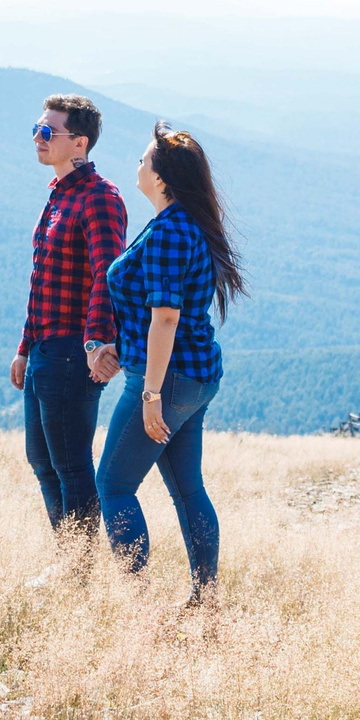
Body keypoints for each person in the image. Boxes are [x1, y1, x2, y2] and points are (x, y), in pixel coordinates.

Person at [96, 123, 245, 602]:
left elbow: (165, 319)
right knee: (187, 490)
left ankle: (136, 602)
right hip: (195, 374)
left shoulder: (169, 232)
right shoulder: (183, 224)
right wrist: (124, 345)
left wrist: (150, 393)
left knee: (113, 485)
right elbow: (153, 312)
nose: (137, 167)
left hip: (168, 379)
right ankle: (205, 599)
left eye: (143, 160)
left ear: (161, 177)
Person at [11, 94, 127, 538]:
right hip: (44, 349)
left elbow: (107, 275)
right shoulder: (58, 197)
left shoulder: (100, 199)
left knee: (71, 464)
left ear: (79, 143)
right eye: (36, 130)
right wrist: (25, 347)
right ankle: (70, 559)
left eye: (47, 132)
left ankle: (80, 569)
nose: (38, 139)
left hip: (72, 353)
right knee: (42, 461)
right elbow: (42, 282)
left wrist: (96, 342)